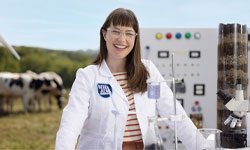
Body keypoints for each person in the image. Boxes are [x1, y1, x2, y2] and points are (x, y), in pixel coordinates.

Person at [56, 8, 197, 150]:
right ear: (104, 34)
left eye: (129, 33)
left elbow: (175, 113)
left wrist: (202, 146)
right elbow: (71, 124)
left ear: (135, 38)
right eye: (116, 31)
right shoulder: (88, 76)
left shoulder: (148, 70)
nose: (121, 39)